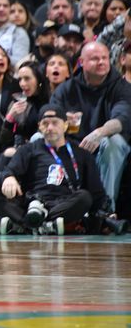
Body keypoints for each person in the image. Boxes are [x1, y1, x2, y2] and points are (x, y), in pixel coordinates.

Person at [0, 104, 110, 235]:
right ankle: (43, 225)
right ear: (39, 127)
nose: (50, 128)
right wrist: (9, 177)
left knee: (84, 197)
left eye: (55, 123)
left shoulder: (81, 153)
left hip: (62, 205)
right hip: (31, 203)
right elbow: (9, 170)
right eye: (45, 123)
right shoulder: (28, 149)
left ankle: (25, 225)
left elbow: (96, 192)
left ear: (65, 125)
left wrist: (106, 214)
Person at [50, 41, 131, 213]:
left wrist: (100, 132)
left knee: (114, 142)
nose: (101, 62)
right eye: (95, 59)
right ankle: (50, 206)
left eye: (105, 58)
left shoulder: (121, 87)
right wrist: (62, 121)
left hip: (104, 147)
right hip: (73, 146)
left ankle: (105, 210)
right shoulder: (67, 88)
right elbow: (49, 117)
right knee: (38, 139)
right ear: (81, 62)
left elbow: (122, 119)